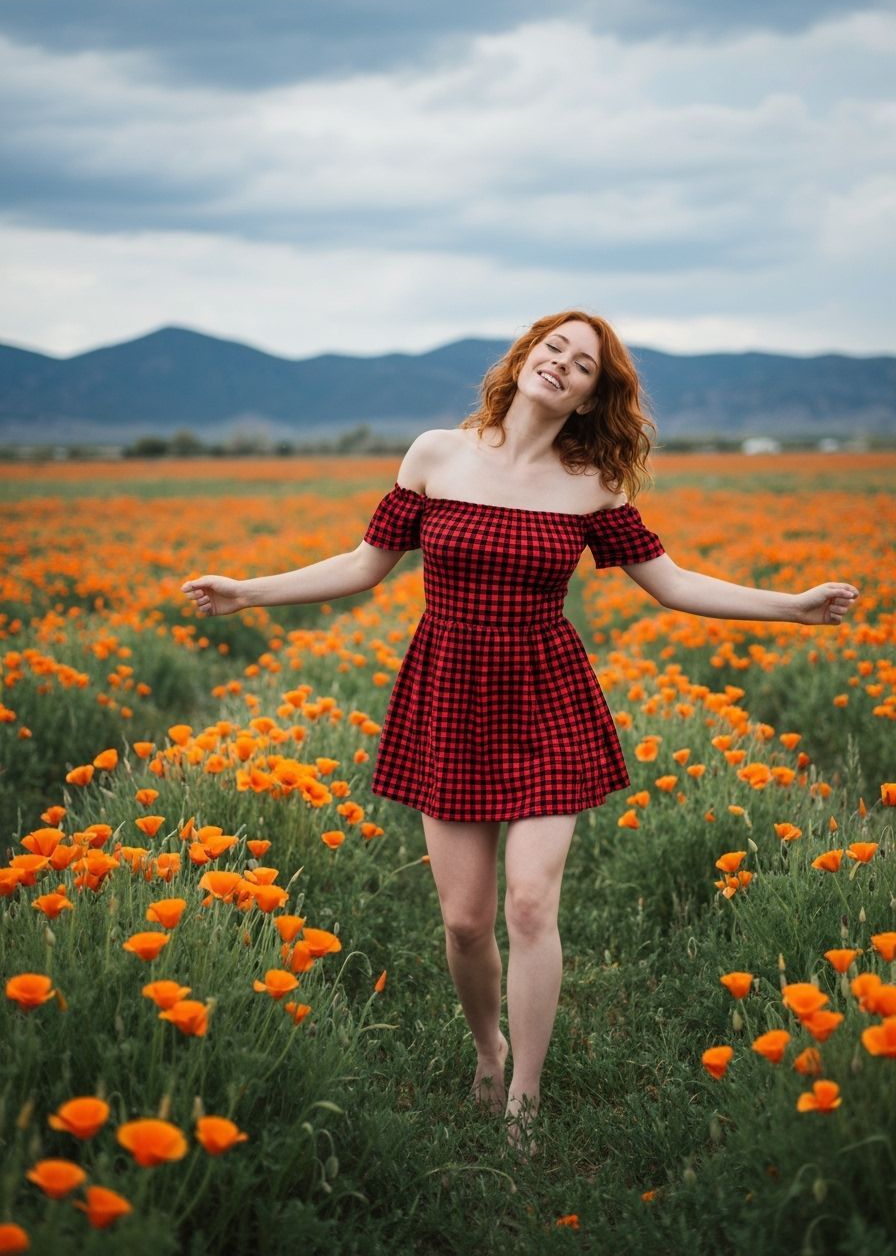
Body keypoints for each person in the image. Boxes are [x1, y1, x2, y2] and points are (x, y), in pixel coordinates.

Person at [181, 309, 860, 1156]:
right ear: (525, 358)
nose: (562, 367)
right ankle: (488, 1049)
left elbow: (674, 586)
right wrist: (248, 590)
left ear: (588, 399)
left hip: (547, 699)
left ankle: (525, 1101)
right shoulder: (436, 454)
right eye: (554, 350)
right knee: (465, 923)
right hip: (450, 699)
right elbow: (364, 566)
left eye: (582, 367)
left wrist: (790, 609)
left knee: (532, 905)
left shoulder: (593, 486)